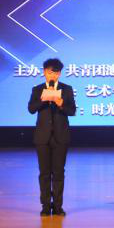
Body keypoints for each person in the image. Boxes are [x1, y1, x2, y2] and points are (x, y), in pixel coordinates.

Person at [28, 57, 76, 216]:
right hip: (42, 137)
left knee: (59, 173)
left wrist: (61, 103)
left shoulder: (66, 89)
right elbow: (31, 109)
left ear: (60, 74)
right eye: (50, 72)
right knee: (44, 173)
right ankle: (45, 206)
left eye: (56, 73)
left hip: (61, 137)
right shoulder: (37, 89)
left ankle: (57, 206)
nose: (52, 76)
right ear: (44, 72)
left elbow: (72, 111)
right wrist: (43, 100)